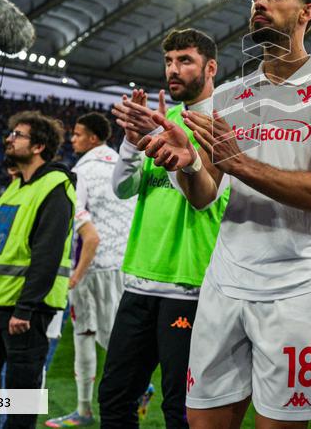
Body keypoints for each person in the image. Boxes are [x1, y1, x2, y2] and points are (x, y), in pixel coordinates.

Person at [138, 0, 311, 428]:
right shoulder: (230, 96)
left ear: (307, 13)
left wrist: (237, 160)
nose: (259, 3)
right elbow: (204, 194)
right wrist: (185, 166)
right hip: (224, 280)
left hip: (296, 289)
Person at [98, 29, 227, 429]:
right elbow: (122, 189)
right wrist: (132, 143)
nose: (173, 69)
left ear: (210, 67)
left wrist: (173, 153)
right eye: (169, 60)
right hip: (139, 281)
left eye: (185, 60)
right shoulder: (163, 119)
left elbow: (202, 197)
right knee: (115, 398)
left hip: (189, 285)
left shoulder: (222, 123)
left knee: (181, 410)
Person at [0, 111, 75, 429]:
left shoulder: (55, 187)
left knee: (21, 396)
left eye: (17, 135)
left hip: (23, 313)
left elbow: (47, 255)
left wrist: (25, 309)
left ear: (38, 146)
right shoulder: (14, 187)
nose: (8, 139)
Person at [46, 112, 136, 427]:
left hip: (92, 266)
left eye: (78, 134)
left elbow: (83, 231)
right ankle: (136, 387)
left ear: (93, 139)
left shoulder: (80, 172)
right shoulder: (123, 166)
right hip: (124, 266)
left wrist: (75, 274)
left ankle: (85, 410)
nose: (73, 139)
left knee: (87, 334)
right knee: (112, 335)